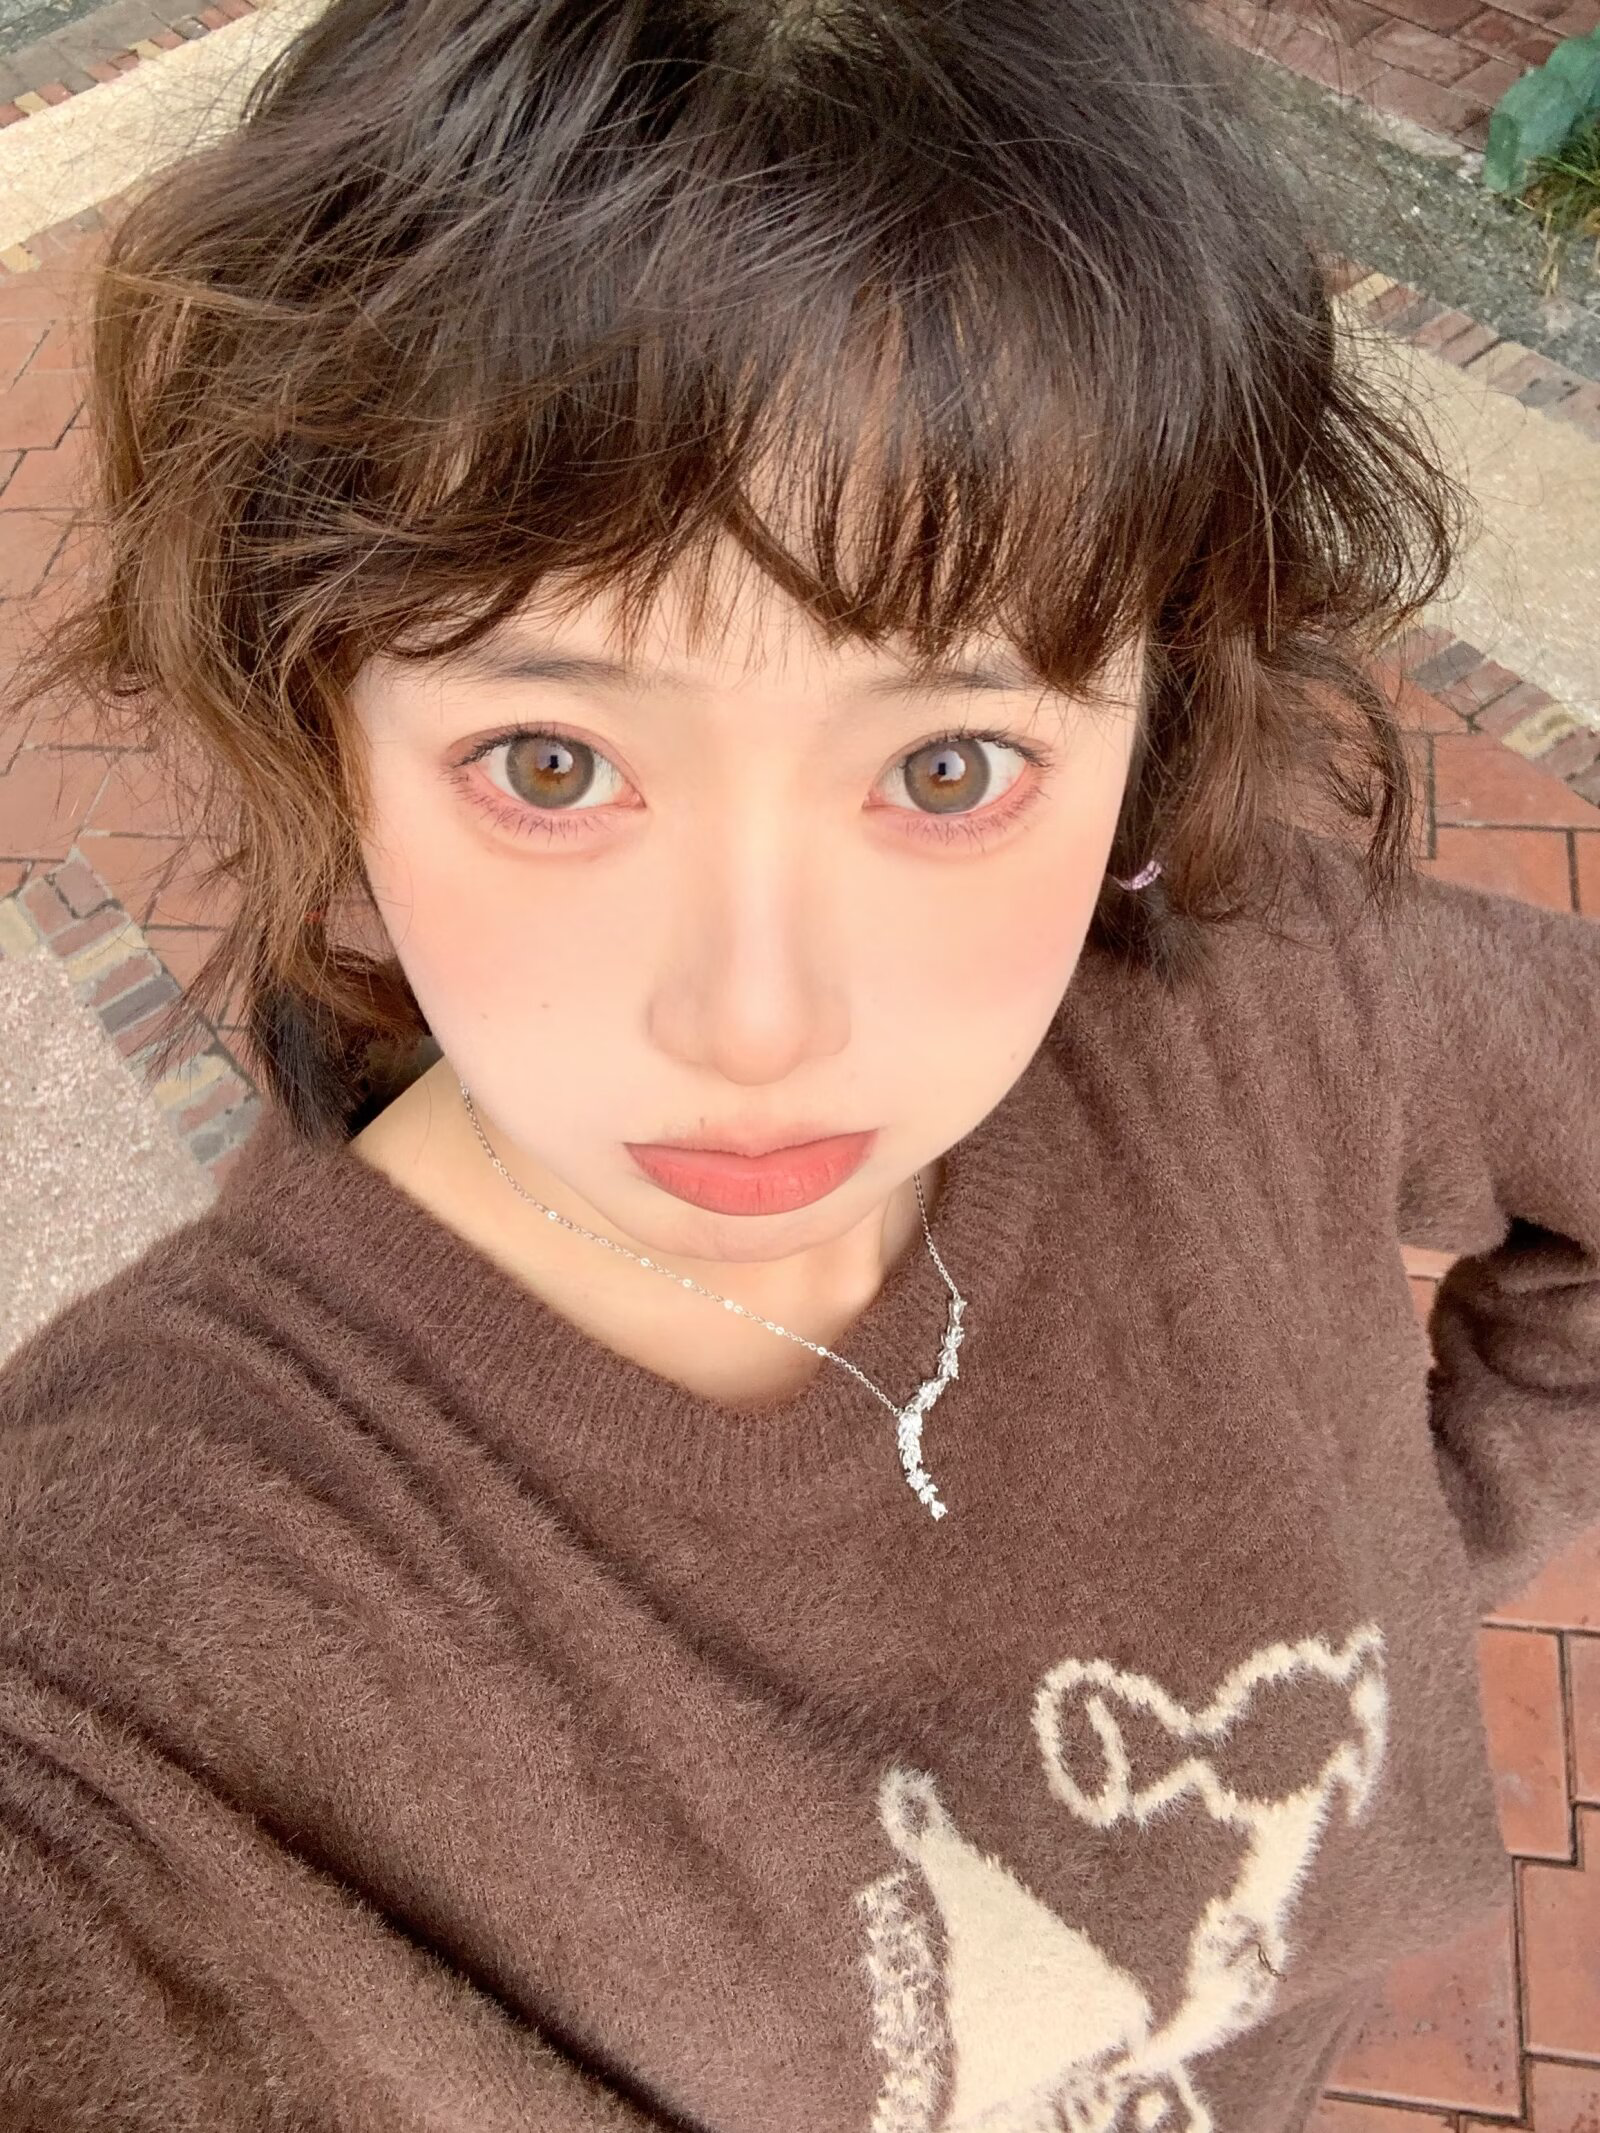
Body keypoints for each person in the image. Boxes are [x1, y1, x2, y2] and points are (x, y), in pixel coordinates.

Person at [1, 0, 1597, 2126]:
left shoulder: (1264, 1007)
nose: (754, 1025)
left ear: (1148, 720)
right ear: (323, 732)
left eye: (946, 767)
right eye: (549, 763)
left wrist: (1405, 1546)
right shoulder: (151, 1633)